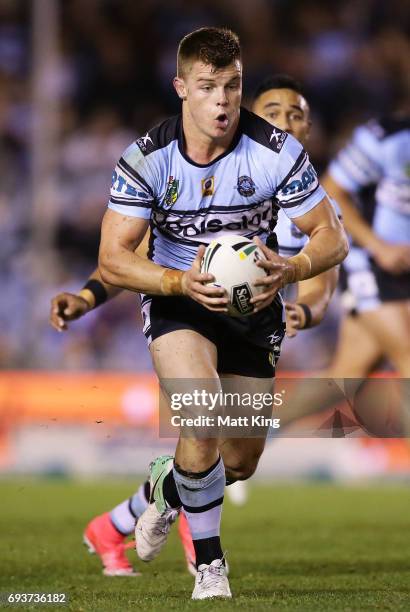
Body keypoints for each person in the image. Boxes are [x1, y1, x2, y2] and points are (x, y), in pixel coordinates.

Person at [52, 27, 347, 600]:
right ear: (181, 87)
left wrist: (289, 270)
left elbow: (331, 239)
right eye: (208, 87)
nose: (222, 101)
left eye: (233, 86)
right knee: (202, 417)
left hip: (254, 306)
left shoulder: (277, 153)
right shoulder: (146, 159)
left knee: (238, 460)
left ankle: (166, 491)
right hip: (177, 301)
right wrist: (175, 280)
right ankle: (212, 567)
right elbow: (114, 259)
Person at [320, 114, 410, 379]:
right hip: (370, 263)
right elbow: (330, 191)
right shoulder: (385, 138)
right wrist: (379, 246)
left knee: (346, 375)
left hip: (404, 270)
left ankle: (266, 419)